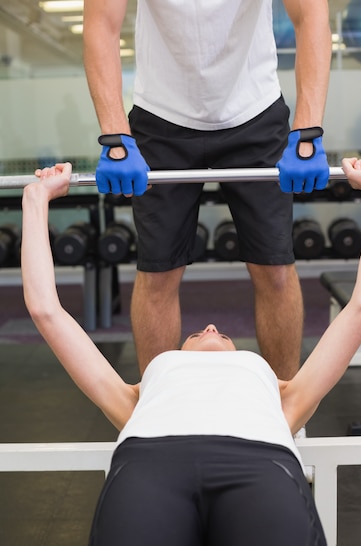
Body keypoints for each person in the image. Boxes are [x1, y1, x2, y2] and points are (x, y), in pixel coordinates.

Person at [21, 157, 361, 546]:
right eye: (198, 332)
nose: (212, 328)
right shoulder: (138, 397)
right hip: (150, 467)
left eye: (209, 331)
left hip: (258, 468)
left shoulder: (285, 394)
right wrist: (35, 198)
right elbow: (47, 310)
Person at [82, 0, 332, 381]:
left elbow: (311, 15)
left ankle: (286, 412)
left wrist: (308, 129)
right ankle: (157, 410)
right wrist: (115, 135)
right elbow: (101, 26)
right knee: (158, 273)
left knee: (275, 269)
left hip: (254, 108)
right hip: (161, 115)